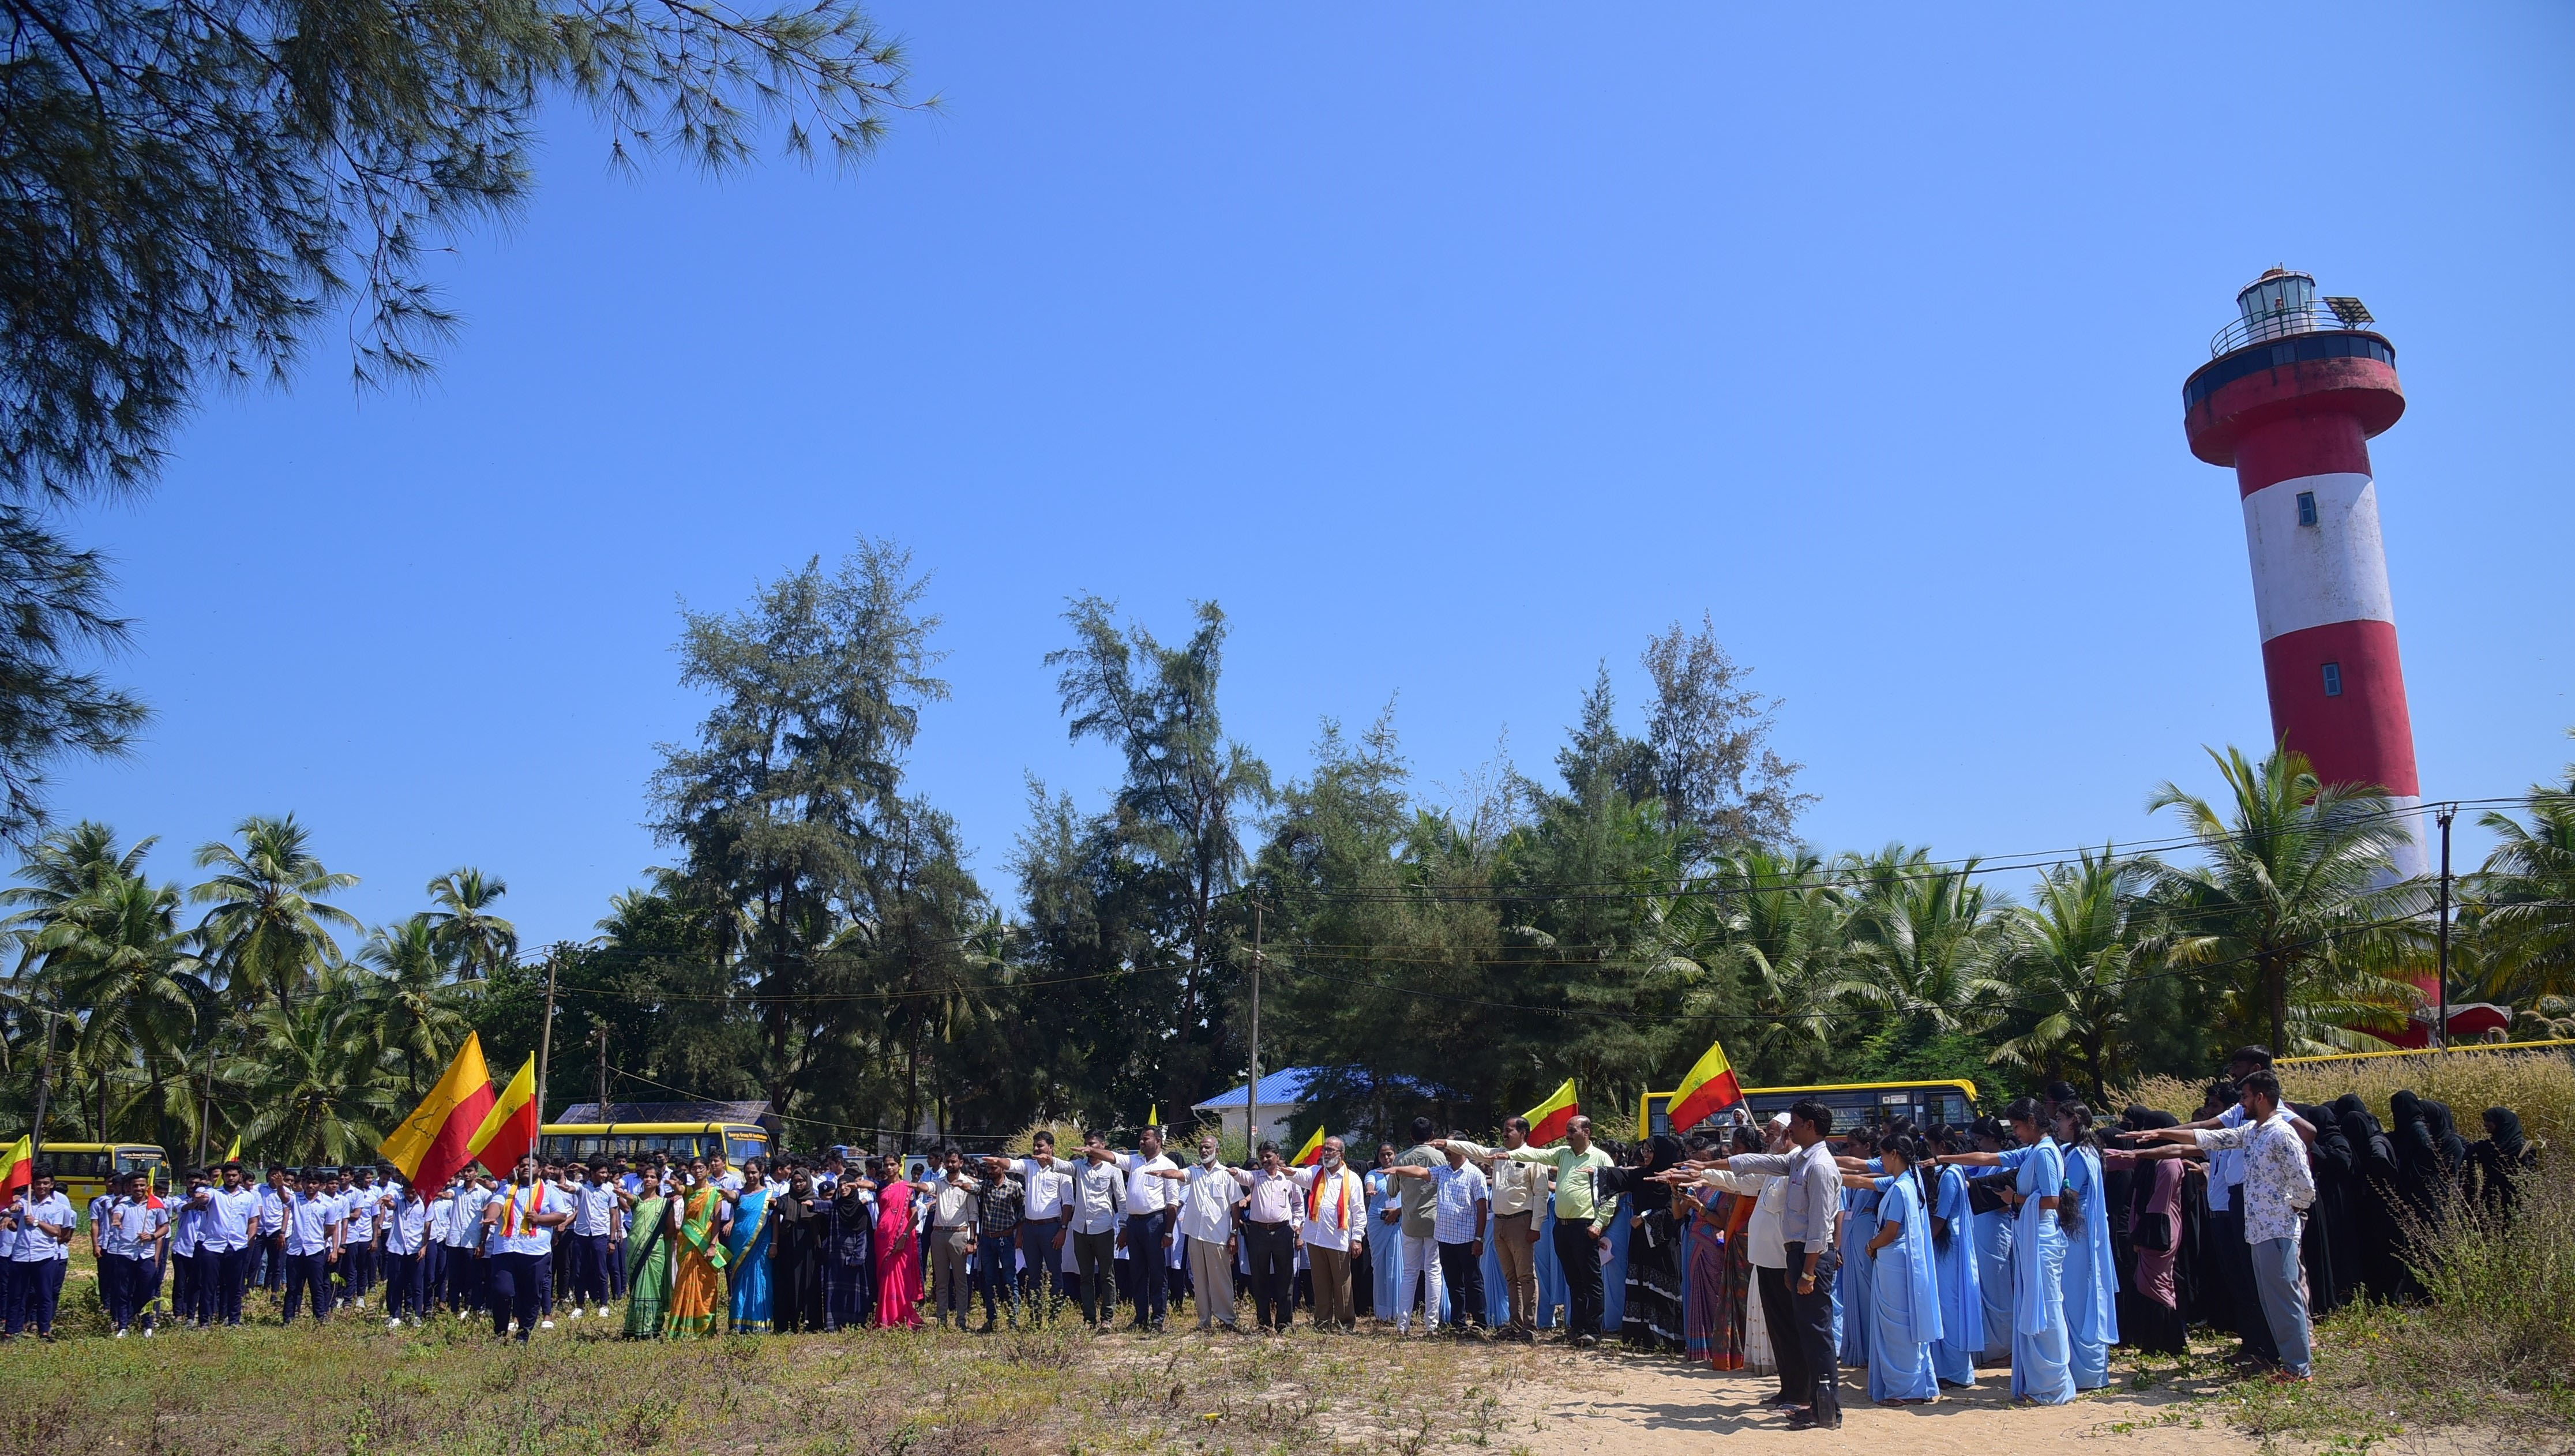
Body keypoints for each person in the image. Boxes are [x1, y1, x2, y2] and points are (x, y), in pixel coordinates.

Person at [2124, 1069, 2316, 1381]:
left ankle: (2298, 1367)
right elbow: (2208, 1137)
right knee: (2270, 1298)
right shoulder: (2252, 1131)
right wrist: (2158, 1135)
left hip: (2277, 1230)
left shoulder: (2282, 1133)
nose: (2241, 1104)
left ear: (2261, 1098)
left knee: (2284, 1298)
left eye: (2245, 1097)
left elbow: (2305, 1186)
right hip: (2258, 1231)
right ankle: (2287, 1363)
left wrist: (2287, 1209)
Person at [1697, 1098, 1846, 1430]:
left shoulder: (1820, 1166)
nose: (1789, 1130)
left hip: (1810, 1258)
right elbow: (1760, 1162)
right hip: (1796, 1256)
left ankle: (1826, 1410)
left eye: (1795, 1124)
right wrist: (1707, 1167)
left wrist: (1807, 1272)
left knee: (1816, 1336)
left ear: (1810, 1126)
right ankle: (1813, 1404)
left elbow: (1819, 1228)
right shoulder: (1800, 1160)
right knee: (1807, 1333)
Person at [1934, 1098, 2073, 1405]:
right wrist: (1943, 1159)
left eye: (2019, 1126)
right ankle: (2038, 1383)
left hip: (2043, 1239)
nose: (2016, 1133)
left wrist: (2016, 1199)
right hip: (2030, 1237)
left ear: (2032, 1122)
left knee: (2047, 1308)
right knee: (2034, 1306)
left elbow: (2052, 1200)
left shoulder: (2046, 1152)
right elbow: (1989, 1158)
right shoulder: (2032, 1150)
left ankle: (2052, 1385)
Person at [1480, 1115, 1616, 1348]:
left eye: (1572, 1131)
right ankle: (1577, 1329)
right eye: (1567, 1130)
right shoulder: (1563, 1154)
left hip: (1585, 1226)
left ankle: (1593, 1331)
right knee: (1574, 1281)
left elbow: (1611, 1194)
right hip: (1562, 1228)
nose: (1567, 1135)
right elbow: (1536, 1155)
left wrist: (1599, 1223)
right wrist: (1510, 1155)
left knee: (1591, 1281)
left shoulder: (1601, 1158)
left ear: (1586, 1132)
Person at [1840, 1136, 1939, 1404]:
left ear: (1894, 1154)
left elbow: (1891, 1231)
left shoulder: (1900, 1188)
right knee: (1906, 1323)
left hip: (1894, 1261)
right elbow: (1862, 1181)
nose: (1880, 1161)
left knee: (1897, 1327)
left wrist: (1871, 1245)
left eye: (1883, 1156)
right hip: (1901, 1261)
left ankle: (1904, 1390)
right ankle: (1916, 1384)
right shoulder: (1909, 1181)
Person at [1440, 1116, 1552, 1341]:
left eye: (1509, 1130)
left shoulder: (1534, 1157)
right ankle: (1515, 1325)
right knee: (1510, 1277)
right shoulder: (1499, 1155)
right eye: (1504, 1130)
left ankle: (1530, 1327)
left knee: (1526, 1276)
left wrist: (1535, 1226)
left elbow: (1541, 1194)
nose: (1504, 1133)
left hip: (1521, 1222)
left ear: (1523, 1133)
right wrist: (1448, 1144)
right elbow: (1477, 1150)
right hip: (1500, 1223)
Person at [1385, 1138, 1490, 1335]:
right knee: (1453, 1284)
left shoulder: (1474, 1174)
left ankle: (1480, 1323)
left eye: (1450, 1147)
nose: (1446, 1150)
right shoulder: (1443, 1171)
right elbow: (1420, 1172)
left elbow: (1482, 1208)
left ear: (1462, 1148)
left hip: (1467, 1239)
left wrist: (1479, 1239)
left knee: (1473, 1281)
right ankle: (1458, 1324)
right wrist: (1398, 1169)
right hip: (1445, 1238)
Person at [2103, 1109, 2186, 1357]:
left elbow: (2159, 1205)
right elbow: (2120, 1159)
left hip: (2159, 1231)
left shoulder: (2169, 1164)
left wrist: (2144, 1237)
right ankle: (2156, 1342)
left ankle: (2167, 1343)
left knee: (2157, 1284)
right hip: (2151, 1229)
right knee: (2148, 1282)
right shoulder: (2151, 1160)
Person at [2052, 1102, 2118, 1390]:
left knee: (2078, 1297)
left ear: (2075, 1120)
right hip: (2082, 1229)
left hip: (2077, 1231)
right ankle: (2086, 1369)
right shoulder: (2084, 1151)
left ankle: (2085, 1371)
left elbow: (2070, 1195)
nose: (2057, 1125)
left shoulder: (2080, 1155)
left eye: (2060, 1119)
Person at [482, 1154, 573, 1341]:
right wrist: (491, 1216)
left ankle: (523, 1334)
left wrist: (539, 1219)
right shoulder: (506, 1189)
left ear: (539, 1170)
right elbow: (496, 1204)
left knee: (531, 1294)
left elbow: (561, 1215)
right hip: (506, 1250)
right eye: (522, 1165)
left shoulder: (549, 1192)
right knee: (502, 1291)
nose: (525, 1168)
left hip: (535, 1252)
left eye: (530, 1165)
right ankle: (500, 1332)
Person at [1286, 1135, 1367, 1333]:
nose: (1326, 1153)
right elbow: (1297, 1174)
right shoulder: (1315, 1173)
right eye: (1325, 1149)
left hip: (1338, 1239)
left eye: (1331, 1150)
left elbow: (1358, 1211)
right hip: (1315, 1238)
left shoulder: (1352, 1179)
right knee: (1320, 1284)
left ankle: (1345, 1323)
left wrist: (1357, 1238)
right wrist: (1281, 1169)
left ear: (1342, 1154)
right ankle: (1322, 1323)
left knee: (1342, 1284)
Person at [1170, 1133, 1241, 1333]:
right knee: (1199, 1281)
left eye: (1207, 1147)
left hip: (1218, 1236)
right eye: (1201, 1147)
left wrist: (1234, 1233)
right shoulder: (1194, 1172)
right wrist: (1161, 1173)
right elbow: (1177, 1174)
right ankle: (1204, 1321)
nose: (1203, 1150)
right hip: (1195, 1235)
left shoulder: (1226, 1174)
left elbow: (1235, 1206)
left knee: (1221, 1280)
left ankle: (1227, 1320)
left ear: (1217, 1151)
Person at [1234, 1140, 1302, 1334]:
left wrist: (1297, 1224)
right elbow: (1241, 1175)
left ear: (1277, 1157)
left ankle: (1284, 1324)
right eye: (1262, 1156)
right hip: (1258, 1233)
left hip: (1283, 1232)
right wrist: (1228, 1170)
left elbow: (1298, 1204)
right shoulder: (1255, 1177)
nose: (1264, 1160)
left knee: (1285, 1279)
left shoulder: (1288, 1177)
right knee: (1259, 1279)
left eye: (1268, 1156)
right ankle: (1264, 1324)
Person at [1009, 1134, 1075, 1324]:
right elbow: (1011, 1164)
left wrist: (1063, 1229)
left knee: (1055, 1274)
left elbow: (1068, 1202)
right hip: (1030, 1228)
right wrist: (998, 1161)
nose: (1036, 1149)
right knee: (1034, 1276)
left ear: (1051, 1148)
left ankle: (1054, 1318)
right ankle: (1035, 1319)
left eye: (1040, 1146)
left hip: (1052, 1228)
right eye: (1034, 1146)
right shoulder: (1029, 1166)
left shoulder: (1061, 1169)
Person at [1063, 1132, 1126, 1331]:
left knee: (1107, 1275)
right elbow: (1060, 1166)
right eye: (1086, 1144)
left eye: (1092, 1144)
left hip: (1104, 1228)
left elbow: (1121, 1199)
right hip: (1080, 1229)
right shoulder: (1079, 1167)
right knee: (1085, 1276)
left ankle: (1107, 1318)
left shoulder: (1112, 1168)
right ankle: (1089, 1319)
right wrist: (1047, 1158)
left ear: (1103, 1145)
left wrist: (1124, 1227)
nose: (1087, 1148)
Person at [4, 1169, 74, 1340]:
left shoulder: (57, 1207)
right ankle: (11, 1331)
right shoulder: (24, 1202)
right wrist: (11, 1215)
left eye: (45, 1183)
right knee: (16, 1294)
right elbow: (15, 1224)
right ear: (33, 1185)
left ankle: (44, 1331)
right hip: (21, 1254)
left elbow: (56, 1232)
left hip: (44, 1255)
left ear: (51, 1185)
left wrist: (36, 1222)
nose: (42, 1186)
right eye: (38, 1183)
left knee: (44, 1295)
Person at [100, 1170, 170, 1337]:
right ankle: (123, 1326)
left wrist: (152, 1236)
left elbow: (165, 1227)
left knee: (148, 1291)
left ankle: (148, 1325)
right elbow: (117, 1213)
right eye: (135, 1186)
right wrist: (116, 1220)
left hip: (146, 1254)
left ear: (147, 1186)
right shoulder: (124, 1203)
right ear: (129, 1187)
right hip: (125, 1254)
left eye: (141, 1185)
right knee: (123, 1292)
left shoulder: (156, 1204)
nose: (138, 1188)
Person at [669, 1158, 731, 1337]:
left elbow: (717, 1221)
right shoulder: (688, 1191)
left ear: (708, 1170)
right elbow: (680, 1190)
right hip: (688, 1242)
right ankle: (682, 1327)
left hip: (705, 1242)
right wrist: (674, 1185)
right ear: (689, 1171)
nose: (698, 1171)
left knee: (706, 1285)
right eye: (694, 1168)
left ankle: (705, 1328)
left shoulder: (715, 1193)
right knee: (684, 1283)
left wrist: (712, 1245)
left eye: (701, 1168)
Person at [616, 1166, 675, 1338]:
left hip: (655, 1252)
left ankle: (652, 1328)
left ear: (658, 1181)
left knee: (654, 1288)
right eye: (646, 1177)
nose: (648, 1179)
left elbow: (671, 1229)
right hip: (635, 1249)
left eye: (652, 1177)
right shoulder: (637, 1200)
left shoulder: (665, 1204)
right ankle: (634, 1327)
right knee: (636, 1288)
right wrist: (621, 1193)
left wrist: (655, 1241)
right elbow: (630, 1198)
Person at [722, 1155, 776, 1334]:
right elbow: (733, 1196)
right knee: (739, 1281)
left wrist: (774, 1243)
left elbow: (774, 1220)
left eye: (753, 1172)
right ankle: (738, 1322)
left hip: (761, 1244)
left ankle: (758, 1322)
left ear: (761, 1172)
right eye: (747, 1173)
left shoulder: (769, 1195)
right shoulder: (741, 1193)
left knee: (760, 1279)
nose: (750, 1176)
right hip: (739, 1243)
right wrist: (727, 1194)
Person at [771, 1167, 828, 1334]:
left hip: (809, 1249)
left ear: (808, 1181)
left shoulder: (815, 1201)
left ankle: (810, 1324)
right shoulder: (787, 1199)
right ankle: (788, 1323)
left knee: (809, 1284)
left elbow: (825, 1220)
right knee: (788, 1284)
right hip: (788, 1249)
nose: (798, 1185)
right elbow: (777, 1204)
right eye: (795, 1182)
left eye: (801, 1181)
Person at [970, 1156, 1024, 1331]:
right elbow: (972, 1187)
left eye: (993, 1168)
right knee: (989, 1280)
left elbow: (1023, 1210)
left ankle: (1013, 1320)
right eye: (988, 1168)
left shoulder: (1014, 1187)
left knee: (1010, 1279)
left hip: (1006, 1239)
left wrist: (1018, 1233)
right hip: (987, 1240)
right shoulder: (985, 1186)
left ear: (1002, 1168)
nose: (990, 1171)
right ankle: (991, 1320)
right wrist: (961, 1183)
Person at [872, 1158, 924, 1329]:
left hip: (902, 1238)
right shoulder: (880, 1186)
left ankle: (901, 1315)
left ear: (900, 1166)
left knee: (900, 1277)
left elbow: (915, 1215)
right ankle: (885, 1318)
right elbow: (868, 1185)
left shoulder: (908, 1188)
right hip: (883, 1238)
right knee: (885, 1277)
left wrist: (904, 1236)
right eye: (886, 1165)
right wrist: (855, 1184)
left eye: (892, 1164)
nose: (889, 1168)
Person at [1363, 1143, 1406, 1329]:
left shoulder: (1403, 1173)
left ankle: (1398, 1312)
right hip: (1377, 1222)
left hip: (1398, 1221)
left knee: (1396, 1267)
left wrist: (1398, 1212)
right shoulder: (1374, 1173)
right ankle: (1382, 1313)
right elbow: (1370, 1184)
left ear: (1395, 1155)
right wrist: (1370, 1190)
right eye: (1383, 1155)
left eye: (1389, 1154)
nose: (1386, 1158)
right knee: (1379, 1267)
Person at [2467, 1106, 2538, 1217]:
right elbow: (2467, 1153)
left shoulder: (2523, 1147)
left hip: (2516, 1199)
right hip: (2491, 1198)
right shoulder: (2486, 1146)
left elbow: (2531, 1175)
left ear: (2501, 1122)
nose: (2485, 1124)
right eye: (2485, 1121)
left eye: (2489, 1121)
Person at [380, 1176, 430, 1327]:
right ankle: (395, 1315)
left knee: (417, 1285)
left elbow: (427, 1227)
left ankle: (417, 1315)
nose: (410, 1195)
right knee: (396, 1283)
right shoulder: (399, 1202)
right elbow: (391, 1203)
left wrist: (424, 1247)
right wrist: (387, 1201)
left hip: (416, 1249)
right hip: (398, 1249)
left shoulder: (426, 1203)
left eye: (413, 1192)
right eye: (407, 1192)